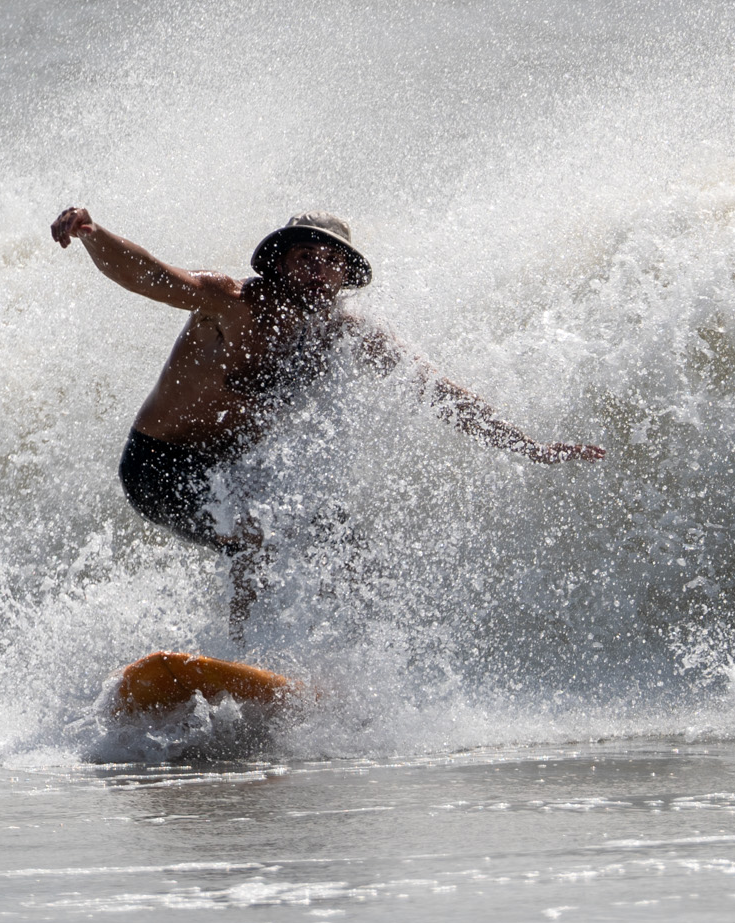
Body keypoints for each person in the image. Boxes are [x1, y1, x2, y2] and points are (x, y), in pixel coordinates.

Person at [50, 208, 605, 636]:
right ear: (279, 261)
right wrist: (93, 233)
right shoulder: (230, 303)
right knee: (258, 536)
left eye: (331, 261)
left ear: (345, 274)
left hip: (235, 470)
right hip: (160, 467)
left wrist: (528, 447)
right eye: (306, 257)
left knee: (345, 547)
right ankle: (241, 652)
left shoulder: (345, 333)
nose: (319, 268)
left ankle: (343, 669)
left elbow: (440, 393)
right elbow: (149, 276)